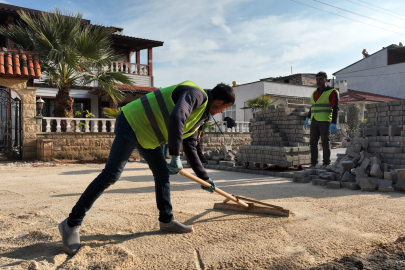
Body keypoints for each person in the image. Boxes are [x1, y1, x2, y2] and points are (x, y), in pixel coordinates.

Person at [58, 81, 235, 256]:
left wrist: (203, 177)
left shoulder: (202, 115)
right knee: (111, 174)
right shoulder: (197, 95)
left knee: (162, 173)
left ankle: (166, 220)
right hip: (132, 122)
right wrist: (174, 155)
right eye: (225, 107)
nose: (223, 112)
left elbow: (190, 143)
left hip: (148, 133)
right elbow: (178, 115)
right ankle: (71, 223)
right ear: (219, 102)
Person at [304, 72, 339, 169]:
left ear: (326, 80)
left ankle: (326, 163)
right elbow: (313, 106)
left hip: (325, 120)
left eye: (320, 79)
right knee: (313, 143)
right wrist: (308, 117)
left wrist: (333, 123)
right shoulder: (315, 93)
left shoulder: (332, 92)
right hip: (314, 120)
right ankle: (313, 163)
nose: (318, 81)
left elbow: (335, 108)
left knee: (325, 143)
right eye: (317, 79)